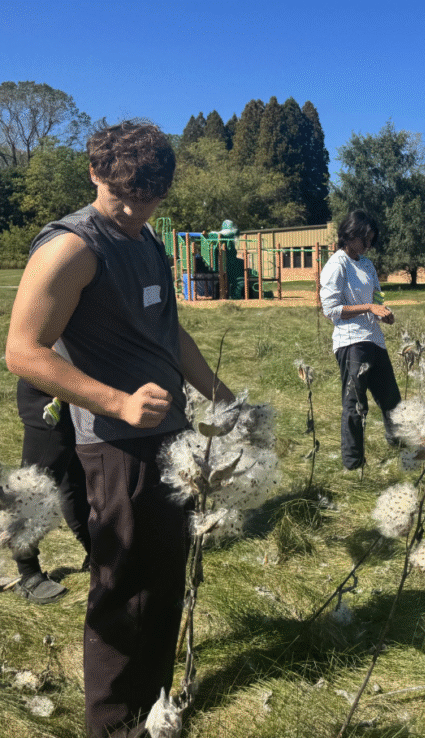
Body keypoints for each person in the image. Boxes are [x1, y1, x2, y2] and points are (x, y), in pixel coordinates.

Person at [5, 120, 235, 738]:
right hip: (116, 447)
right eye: (120, 196)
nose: (132, 210)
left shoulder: (148, 239)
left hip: (170, 439)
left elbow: (167, 332)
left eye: (148, 199)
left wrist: (219, 394)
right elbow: (23, 351)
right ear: (94, 174)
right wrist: (118, 403)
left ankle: (150, 708)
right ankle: (112, 725)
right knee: (123, 590)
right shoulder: (72, 248)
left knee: (162, 581)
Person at [319, 210, 401, 470]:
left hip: (374, 339)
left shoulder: (366, 264)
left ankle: (401, 446)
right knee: (355, 404)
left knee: (391, 398)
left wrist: (383, 312)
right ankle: (353, 464)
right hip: (351, 342)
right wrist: (368, 308)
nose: (368, 244)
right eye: (365, 239)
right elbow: (330, 309)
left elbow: (376, 296)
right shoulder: (337, 265)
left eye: (371, 240)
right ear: (350, 234)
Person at [10, 378, 92, 604]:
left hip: (79, 394)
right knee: (35, 488)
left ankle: (97, 553)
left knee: (75, 482)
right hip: (50, 392)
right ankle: (28, 574)